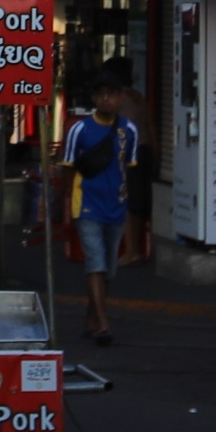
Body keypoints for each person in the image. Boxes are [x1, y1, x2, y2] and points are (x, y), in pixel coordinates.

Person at [57, 60, 142, 347]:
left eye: (111, 93)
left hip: (116, 205)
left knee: (108, 268)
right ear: (94, 98)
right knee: (95, 261)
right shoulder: (79, 129)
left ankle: (91, 318)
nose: (106, 98)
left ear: (120, 97)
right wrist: (65, 202)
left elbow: (127, 167)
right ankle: (103, 323)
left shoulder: (128, 130)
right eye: (101, 94)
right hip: (87, 203)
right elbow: (68, 166)